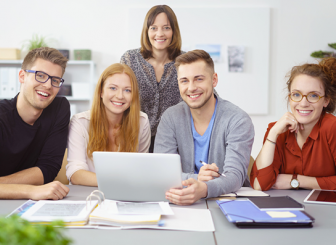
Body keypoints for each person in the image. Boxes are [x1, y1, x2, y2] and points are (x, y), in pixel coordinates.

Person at [0, 47, 70, 201]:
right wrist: (29, 191)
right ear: (22, 76)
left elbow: (48, 168)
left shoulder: (59, 108)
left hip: (34, 203)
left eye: (55, 80)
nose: (48, 85)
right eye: (40, 76)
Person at [154, 50, 254, 205]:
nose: (191, 87)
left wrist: (204, 189)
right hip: (181, 204)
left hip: (228, 203)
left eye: (199, 79)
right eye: (184, 81)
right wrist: (196, 179)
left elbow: (235, 176)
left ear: (214, 80)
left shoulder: (237, 119)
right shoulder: (170, 118)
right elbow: (161, 173)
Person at [251, 57, 336, 191]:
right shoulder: (278, 129)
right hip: (287, 209)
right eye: (296, 94)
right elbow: (259, 185)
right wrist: (273, 134)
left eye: (313, 96)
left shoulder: (332, 127)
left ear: (326, 101)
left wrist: (296, 180)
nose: (303, 103)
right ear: (290, 97)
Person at [66, 63, 151, 186]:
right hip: (88, 194)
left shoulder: (141, 121)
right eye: (113, 88)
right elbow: (75, 174)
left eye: (127, 90)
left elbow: (143, 167)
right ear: (101, 91)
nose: (120, 96)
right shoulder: (80, 122)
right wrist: (118, 183)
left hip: (125, 197)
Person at [120, 5, 183, 152]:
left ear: (174, 31)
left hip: (174, 141)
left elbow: (208, 95)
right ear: (146, 31)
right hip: (134, 137)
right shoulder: (130, 59)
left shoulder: (184, 61)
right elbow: (120, 95)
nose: (159, 34)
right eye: (153, 28)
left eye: (166, 28)